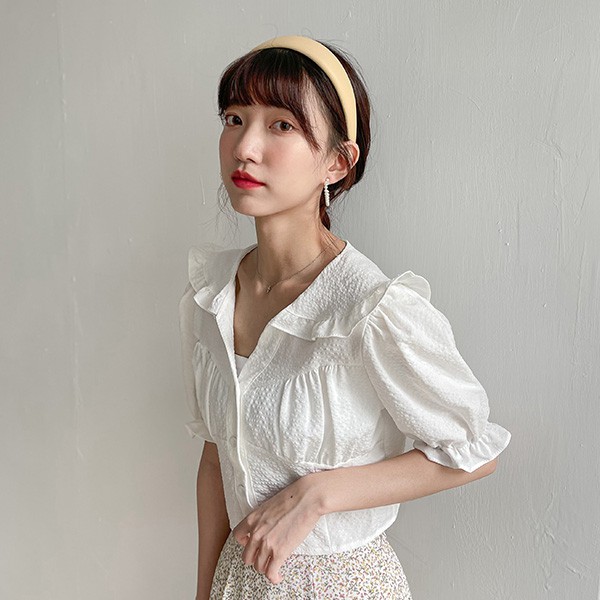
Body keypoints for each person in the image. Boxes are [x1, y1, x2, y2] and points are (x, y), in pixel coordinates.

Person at [178, 35, 512, 599]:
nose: (245, 147)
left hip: (341, 585)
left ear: (338, 161)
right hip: (239, 583)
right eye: (234, 119)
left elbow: (474, 453)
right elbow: (217, 456)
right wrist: (205, 590)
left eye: (281, 125)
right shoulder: (211, 295)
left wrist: (320, 494)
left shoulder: (371, 309)